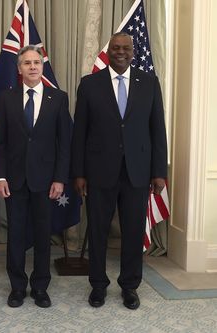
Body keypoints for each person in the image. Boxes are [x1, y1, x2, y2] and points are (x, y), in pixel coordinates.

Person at [71, 32, 168, 310]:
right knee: (98, 231)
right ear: (108, 51)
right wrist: (78, 172)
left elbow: (157, 130)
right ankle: (98, 286)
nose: (121, 52)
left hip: (137, 172)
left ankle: (130, 286)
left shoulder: (149, 83)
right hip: (99, 171)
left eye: (126, 48)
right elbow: (80, 132)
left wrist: (159, 171)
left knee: (133, 231)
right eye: (116, 48)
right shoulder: (90, 84)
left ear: (133, 52)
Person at [0, 45, 71, 308]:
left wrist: (60, 178)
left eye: (37, 62)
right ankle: (16, 287)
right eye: (27, 63)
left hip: (46, 181)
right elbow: (0, 142)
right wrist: (0, 177)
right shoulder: (6, 98)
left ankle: (40, 287)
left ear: (42, 66)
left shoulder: (58, 98)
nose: (33, 67)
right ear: (19, 69)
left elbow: (64, 143)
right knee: (15, 234)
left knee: (42, 235)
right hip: (14, 180)